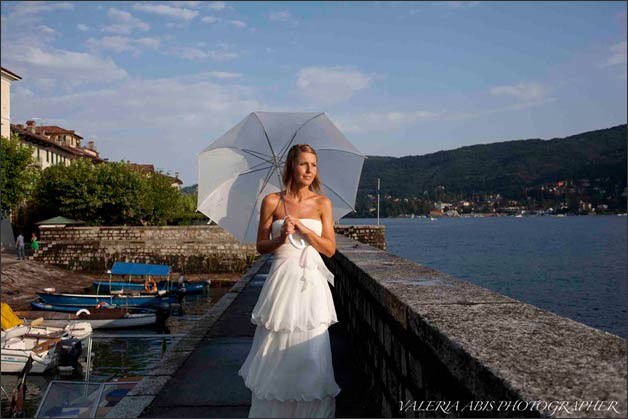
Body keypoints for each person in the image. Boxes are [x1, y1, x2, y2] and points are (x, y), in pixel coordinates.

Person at [238, 144, 340, 418]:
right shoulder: (272, 201)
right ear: (291, 167)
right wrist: (281, 239)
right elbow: (260, 245)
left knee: (311, 352)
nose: (309, 170)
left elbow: (330, 249)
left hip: (311, 285)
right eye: (304, 164)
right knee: (277, 350)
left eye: (314, 165)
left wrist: (306, 231)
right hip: (281, 282)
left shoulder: (322, 203)